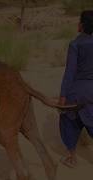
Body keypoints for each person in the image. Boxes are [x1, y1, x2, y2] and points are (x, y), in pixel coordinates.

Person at [59, 10, 93, 168]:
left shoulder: (75, 44)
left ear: (80, 26)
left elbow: (70, 72)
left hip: (77, 90)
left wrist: (62, 96)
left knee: (68, 121)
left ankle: (72, 158)